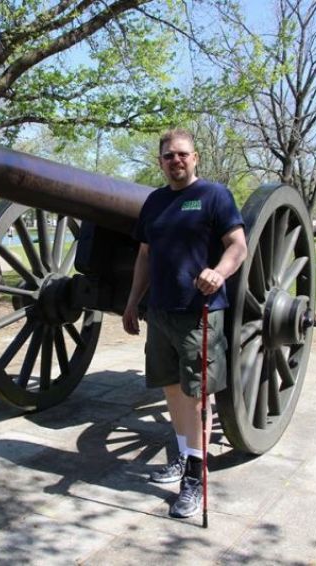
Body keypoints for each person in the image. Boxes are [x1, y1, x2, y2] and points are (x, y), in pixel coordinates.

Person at [122, 128, 247, 519]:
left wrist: (219, 273)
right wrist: (132, 303)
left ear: (195, 158)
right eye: (168, 156)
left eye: (182, 154)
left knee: (196, 397)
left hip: (199, 311)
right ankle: (182, 455)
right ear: (160, 162)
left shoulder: (214, 196)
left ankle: (194, 475)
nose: (175, 161)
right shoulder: (155, 202)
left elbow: (237, 246)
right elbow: (144, 255)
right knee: (173, 389)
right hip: (160, 310)